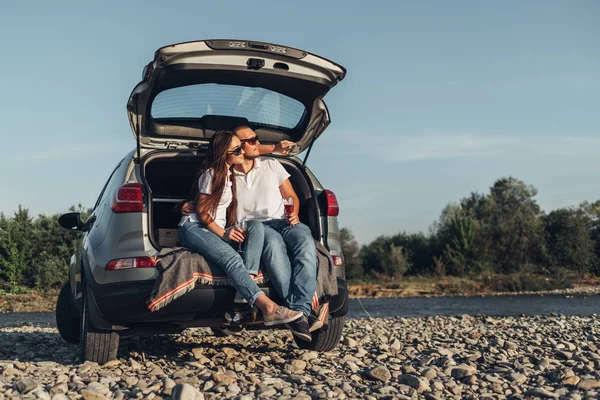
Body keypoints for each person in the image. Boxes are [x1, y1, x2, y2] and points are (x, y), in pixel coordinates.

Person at [184, 126, 320, 341]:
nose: (256, 143)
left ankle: (300, 308)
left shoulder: (269, 164)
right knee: (275, 251)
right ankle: (294, 315)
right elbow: (205, 202)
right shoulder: (226, 172)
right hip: (255, 226)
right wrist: (193, 207)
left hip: (285, 221)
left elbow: (291, 196)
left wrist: (293, 212)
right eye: (249, 142)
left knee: (306, 246)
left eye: (257, 140)